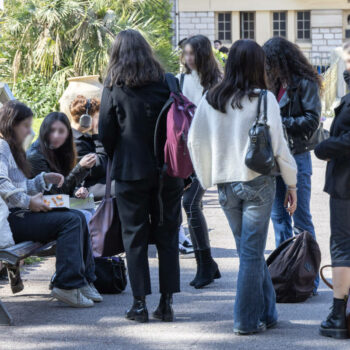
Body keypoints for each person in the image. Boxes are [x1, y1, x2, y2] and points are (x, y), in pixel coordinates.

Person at [188, 40, 297, 335]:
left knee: (248, 252)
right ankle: (246, 321)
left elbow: (193, 141)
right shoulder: (264, 99)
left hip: (225, 186)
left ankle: (269, 312)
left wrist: (208, 176)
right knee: (250, 254)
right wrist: (292, 183)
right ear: (257, 65)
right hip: (257, 182)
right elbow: (279, 147)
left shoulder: (211, 98)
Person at [99, 29, 183, 323]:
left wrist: (118, 153)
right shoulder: (168, 80)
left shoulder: (114, 86)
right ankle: (167, 302)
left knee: (134, 238)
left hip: (130, 171)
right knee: (167, 234)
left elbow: (105, 133)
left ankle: (139, 304)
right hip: (168, 171)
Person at [0, 100, 102, 307]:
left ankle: (81, 281)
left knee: (75, 218)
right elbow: (2, 185)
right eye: (26, 126)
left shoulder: (11, 148)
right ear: (12, 124)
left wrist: (43, 180)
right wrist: (29, 203)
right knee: (71, 221)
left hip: (16, 217)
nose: (30, 131)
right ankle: (66, 284)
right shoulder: (2, 146)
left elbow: (19, 184)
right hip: (9, 221)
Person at [262, 37, 322, 292]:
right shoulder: (270, 85)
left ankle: (310, 276)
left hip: (296, 155)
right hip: (273, 158)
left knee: (301, 218)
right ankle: (284, 274)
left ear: (280, 60)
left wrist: (278, 124)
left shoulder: (304, 83)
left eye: (269, 62)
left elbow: (311, 120)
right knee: (278, 218)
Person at [178, 35, 222, 289]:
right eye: (186, 53)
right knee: (193, 206)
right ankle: (208, 264)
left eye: (193, 53)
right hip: (184, 153)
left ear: (204, 54)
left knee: (191, 203)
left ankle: (204, 264)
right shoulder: (180, 79)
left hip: (208, 152)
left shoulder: (217, 83)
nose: (189, 58)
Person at [315, 42, 350, 339]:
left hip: (346, 186)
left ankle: (338, 314)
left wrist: (324, 146)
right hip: (343, 184)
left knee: (342, 248)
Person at [27, 112, 97, 222]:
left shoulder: (61, 150)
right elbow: (56, 193)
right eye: (52, 130)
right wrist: (81, 168)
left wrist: (78, 191)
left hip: (55, 203)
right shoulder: (35, 156)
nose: (56, 135)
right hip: (38, 208)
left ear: (68, 134)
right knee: (84, 215)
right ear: (45, 131)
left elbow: (66, 186)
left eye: (61, 131)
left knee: (91, 209)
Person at [70, 96, 109, 201]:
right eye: (97, 117)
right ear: (87, 119)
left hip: (93, 182)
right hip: (83, 189)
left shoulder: (83, 136)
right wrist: (97, 135)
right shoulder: (75, 142)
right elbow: (100, 167)